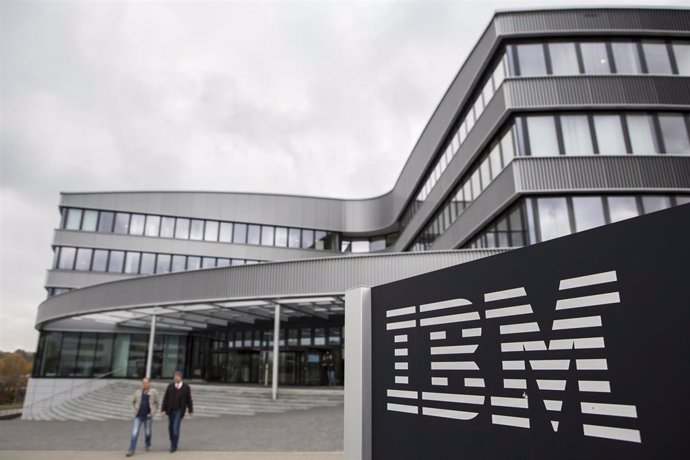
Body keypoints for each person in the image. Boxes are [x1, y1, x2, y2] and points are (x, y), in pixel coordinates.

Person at [161, 371, 193, 453]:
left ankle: (174, 446)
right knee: (170, 428)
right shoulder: (170, 386)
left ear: (181, 378)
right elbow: (166, 398)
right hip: (170, 410)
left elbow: (188, 399)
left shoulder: (186, 387)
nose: (176, 378)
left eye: (178, 377)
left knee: (175, 428)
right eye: (175, 377)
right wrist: (163, 409)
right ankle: (173, 441)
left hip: (179, 410)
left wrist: (190, 410)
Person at [126, 377, 159, 457]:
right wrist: (134, 411)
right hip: (138, 416)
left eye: (146, 383)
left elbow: (156, 403)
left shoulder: (153, 392)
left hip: (148, 416)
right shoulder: (137, 392)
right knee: (135, 433)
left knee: (148, 432)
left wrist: (152, 413)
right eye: (143, 383)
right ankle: (131, 449)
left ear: (149, 383)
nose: (145, 384)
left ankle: (147, 444)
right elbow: (133, 402)